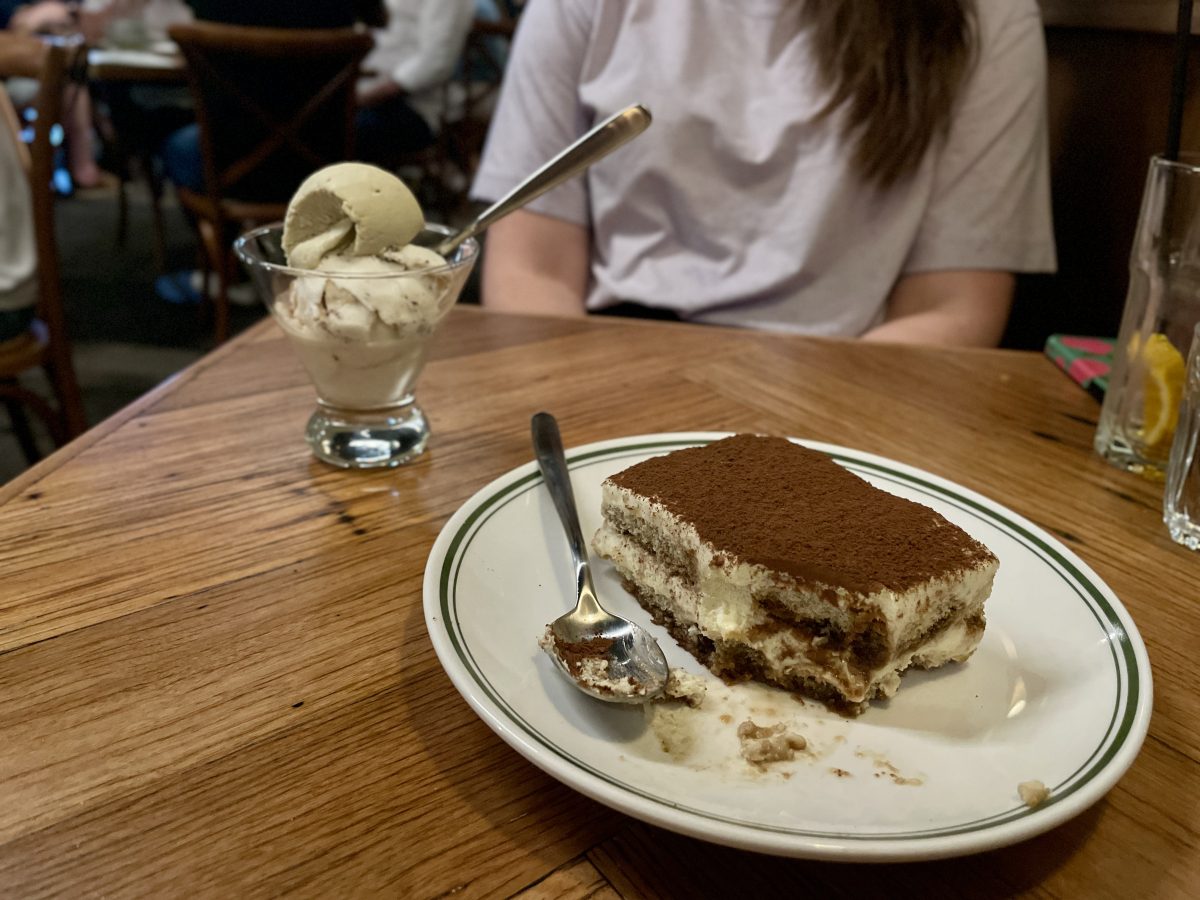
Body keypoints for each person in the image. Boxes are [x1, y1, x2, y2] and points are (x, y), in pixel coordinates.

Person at [471, 0, 1056, 347]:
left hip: (850, 384)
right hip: (609, 351)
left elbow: (953, 306)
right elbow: (531, 268)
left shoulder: (985, 15)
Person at [354, 0, 474, 168]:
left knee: (329, 130)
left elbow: (436, 62)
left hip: (412, 108)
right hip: (362, 94)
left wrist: (363, 98)